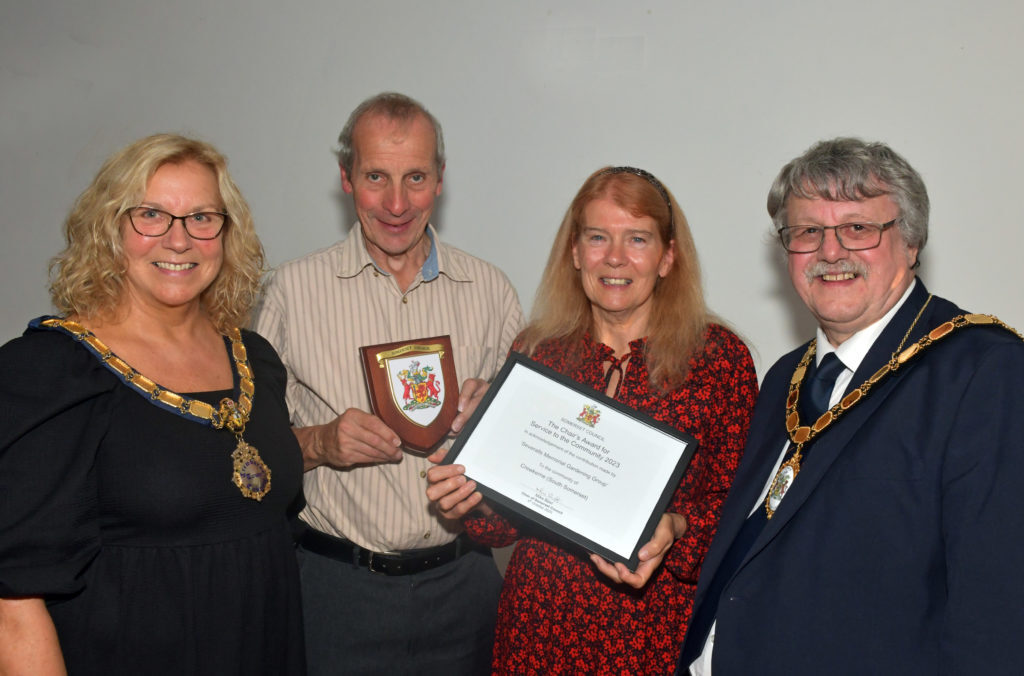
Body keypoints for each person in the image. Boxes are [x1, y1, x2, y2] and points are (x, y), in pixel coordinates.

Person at [677, 138, 1024, 675]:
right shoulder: (784, 379)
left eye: (858, 228)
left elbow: (999, 606)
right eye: (807, 232)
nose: (830, 252)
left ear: (911, 243)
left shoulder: (983, 371)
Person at [428, 166, 758, 675]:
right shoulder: (537, 354)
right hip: (536, 627)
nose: (616, 258)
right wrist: (466, 499)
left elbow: (738, 510)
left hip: (651, 632)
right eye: (598, 237)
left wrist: (677, 528)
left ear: (668, 256)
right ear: (575, 252)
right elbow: (502, 525)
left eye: (638, 239)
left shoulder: (719, 361)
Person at [0, 134, 305, 674]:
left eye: (202, 217)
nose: (179, 239)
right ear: (110, 229)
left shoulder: (256, 359)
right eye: (151, 215)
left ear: (226, 234)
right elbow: (14, 606)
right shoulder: (50, 372)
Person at [253, 92, 524, 675]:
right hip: (336, 592)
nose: (397, 203)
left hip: (465, 588)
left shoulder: (491, 291)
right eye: (377, 176)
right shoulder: (292, 291)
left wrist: (496, 423)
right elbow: (245, 455)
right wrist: (321, 442)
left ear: (440, 180)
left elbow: (526, 459)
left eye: (416, 177)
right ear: (347, 179)